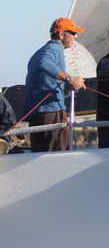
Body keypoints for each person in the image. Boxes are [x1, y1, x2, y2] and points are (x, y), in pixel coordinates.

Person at [23, 17, 87, 152]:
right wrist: (70, 79)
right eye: (73, 33)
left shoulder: (43, 50)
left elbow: (44, 72)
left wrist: (67, 84)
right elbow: (44, 63)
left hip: (39, 114)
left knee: (40, 156)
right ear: (61, 34)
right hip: (51, 113)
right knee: (57, 156)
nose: (76, 37)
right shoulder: (55, 47)